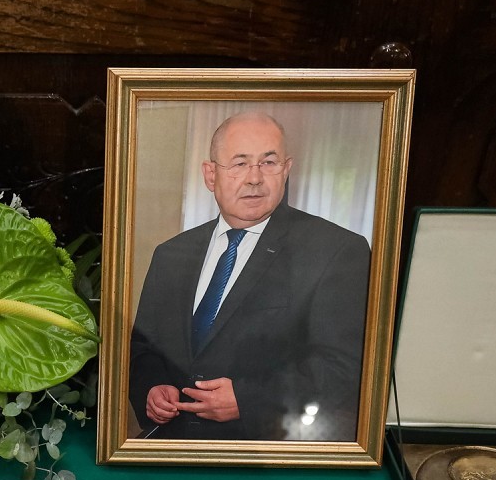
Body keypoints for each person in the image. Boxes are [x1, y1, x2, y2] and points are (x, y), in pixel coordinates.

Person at [128, 113, 370, 440]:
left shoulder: (336, 250)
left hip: (269, 453)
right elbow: (142, 347)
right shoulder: (170, 254)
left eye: (268, 162)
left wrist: (248, 400)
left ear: (286, 169)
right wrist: (152, 388)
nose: (254, 178)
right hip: (170, 447)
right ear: (210, 174)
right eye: (240, 163)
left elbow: (344, 368)